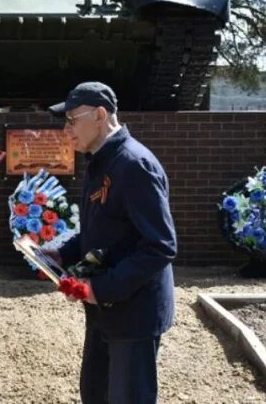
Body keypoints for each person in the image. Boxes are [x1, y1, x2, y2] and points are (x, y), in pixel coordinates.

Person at [46, 81, 177, 404]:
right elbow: (102, 230)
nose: (66, 129)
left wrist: (101, 289)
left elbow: (160, 245)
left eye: (72, 120)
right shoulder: (99, 162)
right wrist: (61, 253)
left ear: (101, 114)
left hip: (133, 314)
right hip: (106, 310)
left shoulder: (134, 165)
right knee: (96, 394)